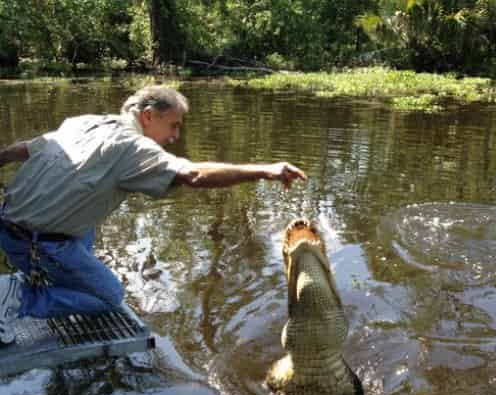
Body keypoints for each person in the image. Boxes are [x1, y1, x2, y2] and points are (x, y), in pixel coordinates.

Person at [0, 85, 307, 345]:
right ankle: (19, 298)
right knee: (109, 296)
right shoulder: (132, 147)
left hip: (10, 223)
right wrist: (264, 170)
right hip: (35, 243)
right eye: (173, 125)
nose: (175, 136)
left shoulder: (84, 122)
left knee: (92, 196)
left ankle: (51, 275)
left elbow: (24, 148)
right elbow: (193, 175)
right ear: (148, 116)